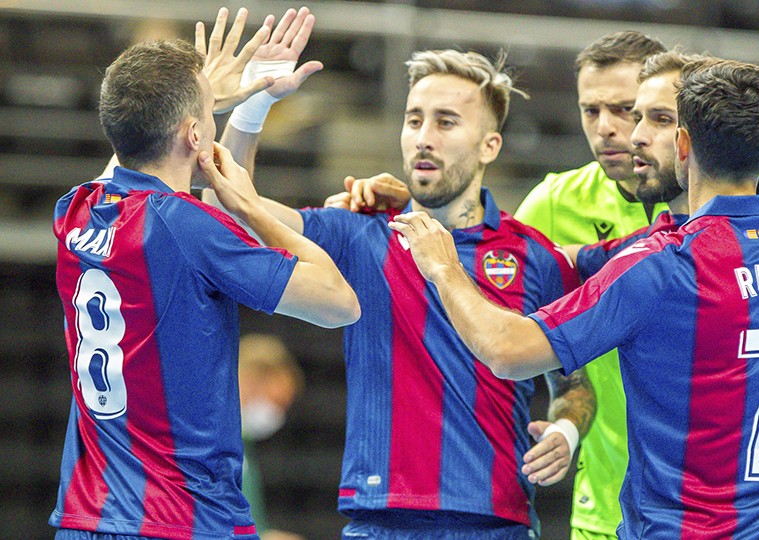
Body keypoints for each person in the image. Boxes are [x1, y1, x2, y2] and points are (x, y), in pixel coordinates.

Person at [337, 41, 759, 538]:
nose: (624, 133)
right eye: (602, 112)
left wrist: (439, 257)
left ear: (686, 141)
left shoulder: (658, 263)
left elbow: (509, 343)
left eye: (650, 118)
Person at [216, 47, 589, 538]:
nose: (424, 138)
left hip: (496, 522)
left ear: (490, 145)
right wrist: (254, 103)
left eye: (446, 122)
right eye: (414, 120)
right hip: (379, 520)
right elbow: (228, 210)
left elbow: (574, 383)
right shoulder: (360, 231)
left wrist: (566, 428)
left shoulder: (535, 257)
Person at [49, 8, 359, 539]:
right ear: (194, 132)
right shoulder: (186, 227)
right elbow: (340, 303)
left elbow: (136, 157)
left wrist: (240, 103)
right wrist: (250, 206)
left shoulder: (76, 210)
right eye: (209, 114)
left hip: (86, 516)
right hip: (183, 519)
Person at [239, 334, 306, 540]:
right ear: (249, 380)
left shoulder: (244, 446)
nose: (278, 414)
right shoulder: (209, 444)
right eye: (277, 402)